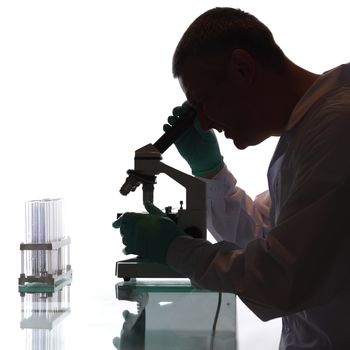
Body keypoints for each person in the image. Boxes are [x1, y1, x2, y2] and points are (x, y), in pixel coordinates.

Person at [113, 7, 350, 349]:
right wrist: (210, 170)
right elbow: (262, 237)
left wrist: (175, 248)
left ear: (242, 68)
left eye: (204, 102)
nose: (206, 123)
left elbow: (280, 278)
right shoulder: (309, 133)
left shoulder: (338, 127)